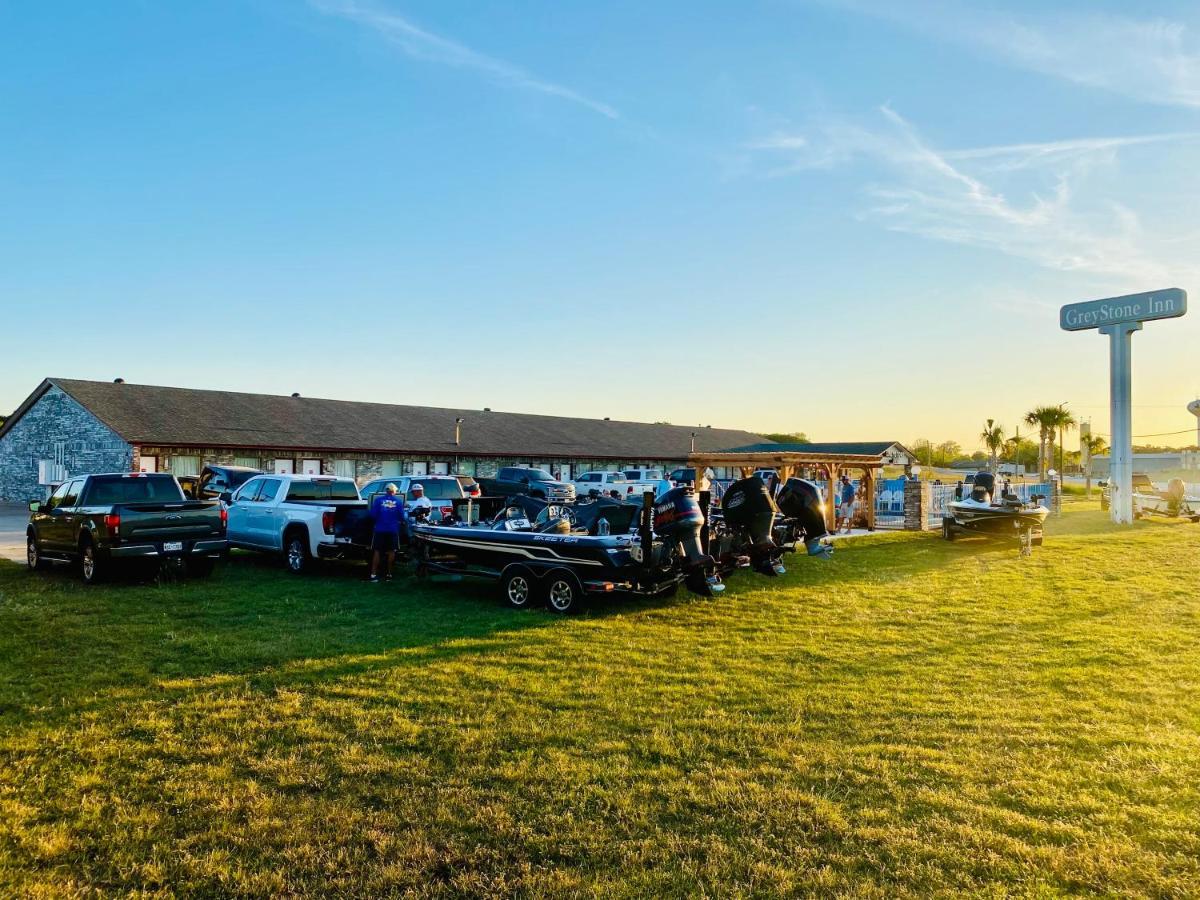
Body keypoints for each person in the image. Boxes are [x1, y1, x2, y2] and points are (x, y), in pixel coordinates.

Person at [368, 483, 406, 582]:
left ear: (386, 490)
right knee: (392, 551)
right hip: (393, 530)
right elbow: (402, 517)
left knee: (377, 551)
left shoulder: (378, 500)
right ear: (394, 491)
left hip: (380, 529)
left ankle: (373, 574)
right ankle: (389, 574)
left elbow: (372, 515)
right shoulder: (398, 502)